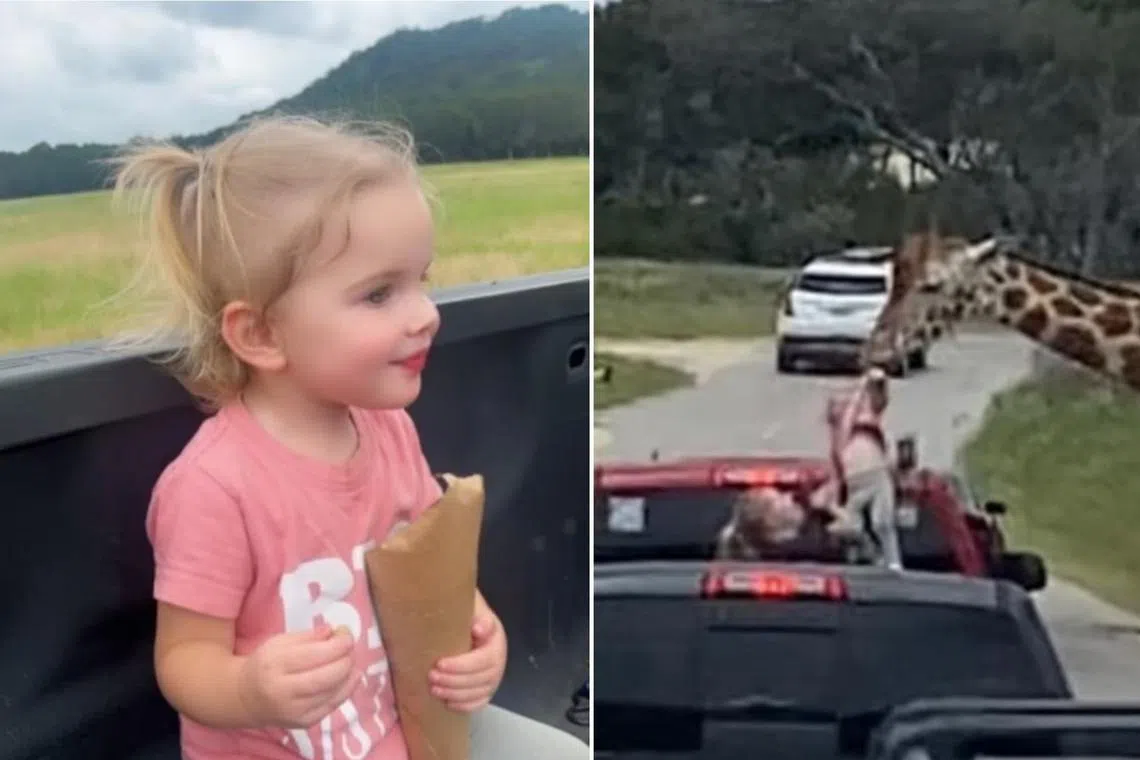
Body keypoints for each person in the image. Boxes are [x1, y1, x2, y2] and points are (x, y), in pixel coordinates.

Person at [111, 116, 587, 760]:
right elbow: (186, 659)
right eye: (379, 294)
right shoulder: (215, 487)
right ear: (260, 335)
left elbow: (433, 564)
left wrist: (479, 631)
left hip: (402, 729)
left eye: (422, 281)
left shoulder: (388, 429)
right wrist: (250, 688)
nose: (426, 315)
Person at [810, 368, 904, 570]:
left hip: (875, 476)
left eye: (842, 405)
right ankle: (872, 555)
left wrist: (869, 383)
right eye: (836, 406)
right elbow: (836, 474)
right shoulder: (840, 438)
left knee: (882, 523)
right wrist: (829, 500)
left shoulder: (864, 423)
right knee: (853, 525)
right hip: (857, 484)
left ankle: (892, 563)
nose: (842, 407)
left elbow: (876, 402)